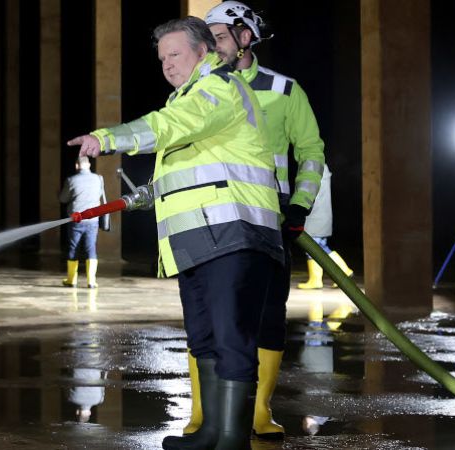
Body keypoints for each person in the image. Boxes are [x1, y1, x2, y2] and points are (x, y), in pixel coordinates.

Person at [68, 17, 282, 450]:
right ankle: (211, 433)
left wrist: (106, 139)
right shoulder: (187, 100)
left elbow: (164, 128)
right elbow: (195, 166)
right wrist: (149, 193)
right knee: (204, 336)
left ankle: (232, 438)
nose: (167, 64)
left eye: (175, 54)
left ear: (203, 52)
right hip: (197, 238)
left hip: (233, 232)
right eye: (162, 57)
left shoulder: (217, 89)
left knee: (230, 336)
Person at [194, 2, 327, 440]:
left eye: (217, 36)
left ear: (245, 37)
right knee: (211, 315)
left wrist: (300, 207)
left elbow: (310, 154)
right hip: (213, 218)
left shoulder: (285, 91)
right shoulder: (200, 88)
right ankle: (204, 416)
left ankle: (258, 413)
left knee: (267, 315)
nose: (209, 46)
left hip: (269, 221)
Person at [298, 165, 356, 289]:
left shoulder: (312, 166)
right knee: (320, 247)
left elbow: (308, 194)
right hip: (320, 215)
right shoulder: (320, 166)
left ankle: (319, 278)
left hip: (315, 216)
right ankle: (342, 272)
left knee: (313, 247)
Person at [59, 156, 106, 288]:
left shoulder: (71, 180)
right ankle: (91, 281)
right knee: (90, 247)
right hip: (93, 219)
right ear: (89, 165)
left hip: (76, 219)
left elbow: (63, 199)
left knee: (73, 247)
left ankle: (71, 280)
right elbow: (101, 196)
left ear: (77, 166)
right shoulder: (99, 179)